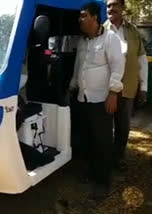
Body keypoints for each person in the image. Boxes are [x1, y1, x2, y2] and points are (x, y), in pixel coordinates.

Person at [69, 2, 125, 200]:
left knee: (102, 142)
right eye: (80, 16)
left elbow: (118, 67)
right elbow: (78, 67)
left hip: (101, 100)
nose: (80, 19)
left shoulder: (111, 38)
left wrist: (113, 93)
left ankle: (102, 182)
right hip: (82, 99)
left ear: (94, 17)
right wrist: (72, 86)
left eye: (84, 16)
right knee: (87, 139)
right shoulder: (83, 42)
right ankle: (91, 171)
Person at [104, 0, 149, 171]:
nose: (111, 9)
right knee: (104, 127)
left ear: (123, 8)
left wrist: (143, 87)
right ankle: (103, 159)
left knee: (123, 127)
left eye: (115, 5)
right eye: (108, 6)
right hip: (105, 90)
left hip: (128, 87)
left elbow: (141, 60)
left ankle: (119, 157)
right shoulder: (100, 30)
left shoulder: (133, 31)